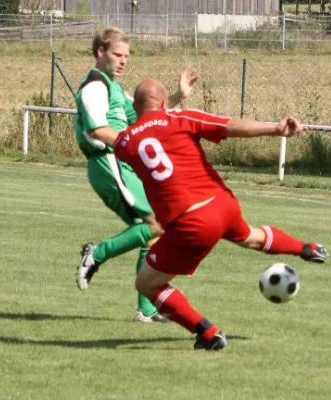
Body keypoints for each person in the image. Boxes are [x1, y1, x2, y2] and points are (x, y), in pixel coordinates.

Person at [112, 79, 328, 350]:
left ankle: (207, 333)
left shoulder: (125, 142)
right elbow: (228, 126)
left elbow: (125, 133)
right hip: (222, 203)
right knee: (251, 236)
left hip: (191, 221)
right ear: (165, 103)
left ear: (134, 105)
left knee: (147, 283)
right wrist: (275, 128)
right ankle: (307, 248)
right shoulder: (180, 118)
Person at [74, 27, 198, 323]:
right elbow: (97, 130)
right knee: (157, 223)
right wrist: (129, 146)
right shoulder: (94, 86)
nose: (123, 61)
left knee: (154, 229)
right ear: (100, 52)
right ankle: (97, 254)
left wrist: (179, 94)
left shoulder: (115, 88)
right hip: (107, 162)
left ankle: (146, 309)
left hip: (121, 163)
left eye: (127, 56)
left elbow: (147, 120)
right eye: (117, 54)